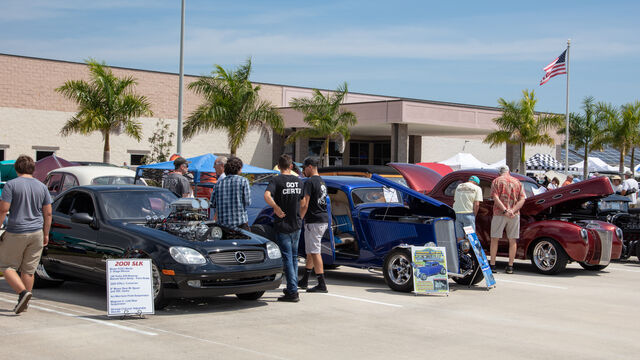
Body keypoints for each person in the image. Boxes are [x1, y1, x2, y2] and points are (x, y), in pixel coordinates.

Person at [0, 155, 52, 314]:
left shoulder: (11, 185)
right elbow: (48, 213)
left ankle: (23, 293)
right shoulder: (42, 186)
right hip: (37, 232)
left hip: (17, 231)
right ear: (33, 169)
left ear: (16, 169)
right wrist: (46, 234)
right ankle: (24, 303)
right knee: (28, 270)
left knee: (6, 266)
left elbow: (3, 209)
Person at [264, 154, 304, 302]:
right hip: (296, 223)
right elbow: (305, 201)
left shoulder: (276, 180)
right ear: (291, 166)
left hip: (282, 224)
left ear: (279, 167)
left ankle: (293, 291)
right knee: (293, 257)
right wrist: (300, 216)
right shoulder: (299, 181)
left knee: (287, 257)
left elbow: (267, 195)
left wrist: (276, 207)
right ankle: (292, 287)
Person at [298, 157, 329, 293]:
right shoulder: (322, 181)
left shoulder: (310, 182)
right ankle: (305, 279)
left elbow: (305, 203)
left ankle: (321, 284)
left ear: (310, 167)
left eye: (304, 168)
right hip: (322, 219)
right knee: (310, 250)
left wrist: (299, 218)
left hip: (314, 221)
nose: (303, 170)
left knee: (315, 252)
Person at [489, 165, 526, 274]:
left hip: (499, 213)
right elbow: (522, 198)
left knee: (495, 238)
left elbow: (495, 197)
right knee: (512, 240)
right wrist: (512, 210)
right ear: (509, 171)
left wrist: (505, 210)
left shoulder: (496, 181)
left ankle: (492, 265)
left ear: (499, 173)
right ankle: (510, 266)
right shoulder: (517, 182)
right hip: (514, 215)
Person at [210, 157, 251, 230]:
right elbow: (248, 202)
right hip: (240, 223)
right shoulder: (243, 181)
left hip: (223, 225)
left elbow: (212, 203)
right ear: (239, 168)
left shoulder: (218, 184)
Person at [452, 175, 482, 243]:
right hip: (468, 214)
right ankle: (469, 252)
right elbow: (477, 204)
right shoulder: (477, 188)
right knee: (470, 236)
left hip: (457, 213)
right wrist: (474, 215)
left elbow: (455, 200)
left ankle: (461, 252)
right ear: (476, 183)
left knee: (459, 237)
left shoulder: (459, 186)